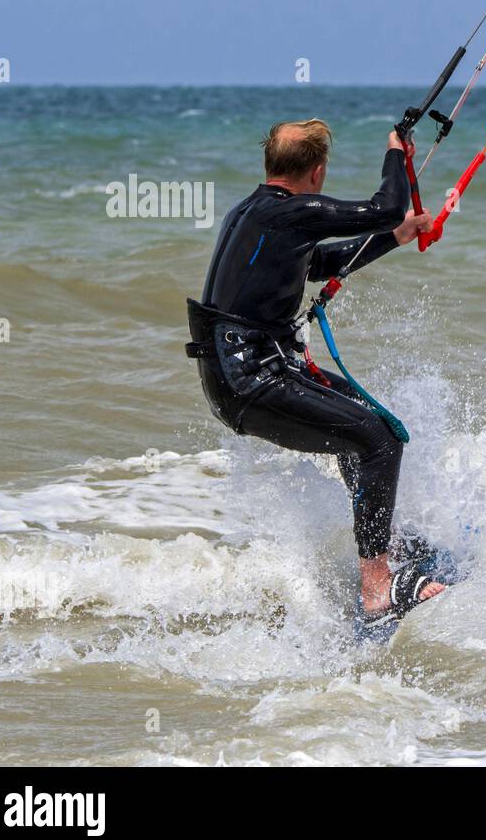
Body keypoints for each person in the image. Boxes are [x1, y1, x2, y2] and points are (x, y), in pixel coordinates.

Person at [184, 119, 445, 635]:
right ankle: (376, 587)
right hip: (251, 378)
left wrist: (397, 236)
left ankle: (379, 550)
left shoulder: (255, 211)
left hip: (244, 369)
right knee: (379, 440)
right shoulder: (291, 211)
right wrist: (397, 153)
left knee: (366, 426)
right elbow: (383, 205)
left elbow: (319, 262)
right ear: (317, 171)